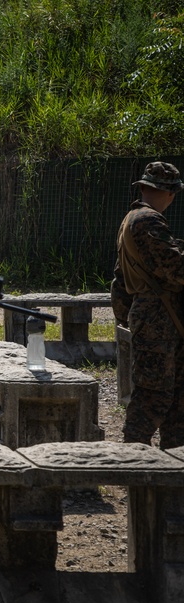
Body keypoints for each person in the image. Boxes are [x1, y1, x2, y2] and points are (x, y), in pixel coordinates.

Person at [112, 161, 184, 448]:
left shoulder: (132, 219)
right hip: (159, 320)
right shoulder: (148, 221)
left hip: (156, 318)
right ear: (170, 193)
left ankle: (173, 465)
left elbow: (119, 280)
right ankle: (133, 460)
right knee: (154, 395)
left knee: (176, 398)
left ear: (142, 187)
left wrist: (126, 316)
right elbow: (175, 269)